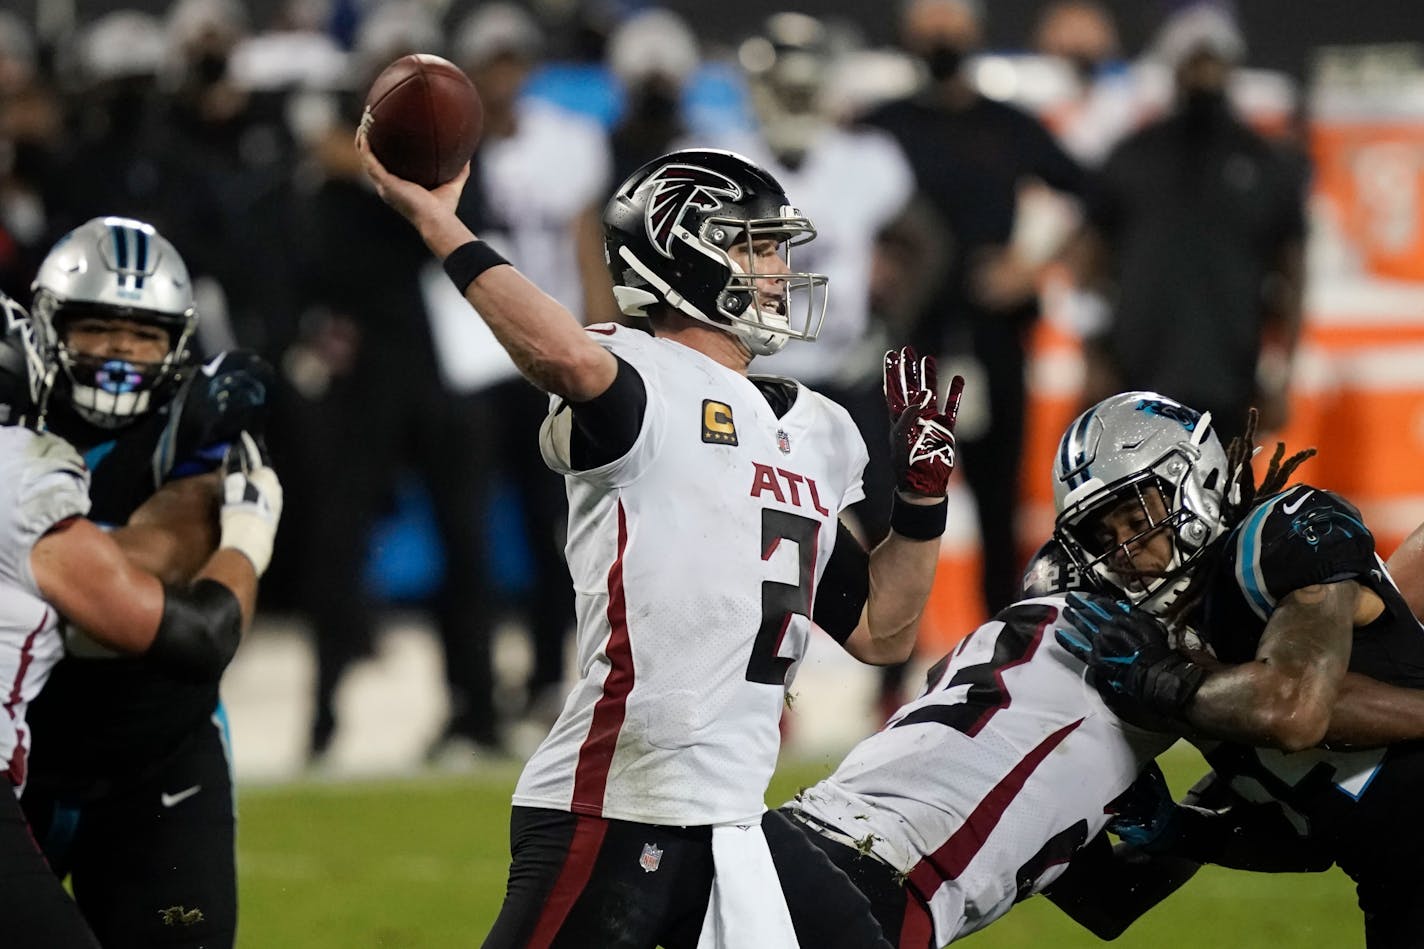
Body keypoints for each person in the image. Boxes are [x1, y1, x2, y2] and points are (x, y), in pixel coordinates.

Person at [359, 135, 963, 947]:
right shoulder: (636, 377)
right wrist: (440, 224)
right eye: (756, 249)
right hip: (615, 806)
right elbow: (560, 353)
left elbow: (883, 629)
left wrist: (922, 504)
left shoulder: (817, 428)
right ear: (686, 259)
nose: (780, 273)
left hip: (736, 824)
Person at [1052, 391, 1424, 945]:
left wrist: (1163, 682)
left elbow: (1293, 709)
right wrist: (1182, 831)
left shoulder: (1276, 538)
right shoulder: (1182, 659)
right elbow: (1310, 838)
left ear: (1194, 480)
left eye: (1136, 519)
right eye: (1103, 539)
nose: (1126, 552)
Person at [0, 216, 275, 949]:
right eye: (97, 328)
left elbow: (174, 537)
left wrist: (75, 582)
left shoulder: (204, 417)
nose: (121, 351)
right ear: (49, 327)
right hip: (26, 750)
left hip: (155, 756)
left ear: (178, 344)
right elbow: (132, 566)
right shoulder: (13, 421)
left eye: (144, 334)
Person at [862, 0, 1087, 625]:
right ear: (908, 33)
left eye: (950, 21)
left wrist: (1033, 267)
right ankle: (887, 656)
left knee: (997, 503)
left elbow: (1093, 196)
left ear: (975, 30)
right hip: (906, 342)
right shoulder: (881, 125)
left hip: (992, 338)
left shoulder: (1008, 125)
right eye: (928, 23)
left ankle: (1003, 648)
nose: (940, 35)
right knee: (893, 501)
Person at [1070, 6, 1307, 441]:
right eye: (1194, 59)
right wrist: (1093, 357)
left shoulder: (1267, 162)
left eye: (1214, 59)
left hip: (1232, 377)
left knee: (1225, 505)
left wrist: (1280, 376)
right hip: (1137, 376)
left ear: (1233, 63)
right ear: (1173, 64)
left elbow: (1292, 276)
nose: (1205, 72)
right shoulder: (1131, 156)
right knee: (1143, 507)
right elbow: (1089, 263)